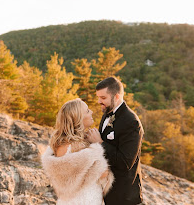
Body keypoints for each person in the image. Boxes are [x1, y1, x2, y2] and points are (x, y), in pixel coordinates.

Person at [41, 98, 114, 205]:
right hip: (84, 200)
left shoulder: (62, 143)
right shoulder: (76, 145)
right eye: (87, 111)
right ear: (78, 118)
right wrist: (98, 144)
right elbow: (103, 173)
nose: (92, 112)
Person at [87, 77, 144, 205]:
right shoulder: (108, 112)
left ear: (116, 96)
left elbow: (125, 162)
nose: (98, 101)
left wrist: (100, 143)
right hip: (108, 191)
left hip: (124, 196)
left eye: (103, 98)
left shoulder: (131, 122)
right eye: (98, 97)